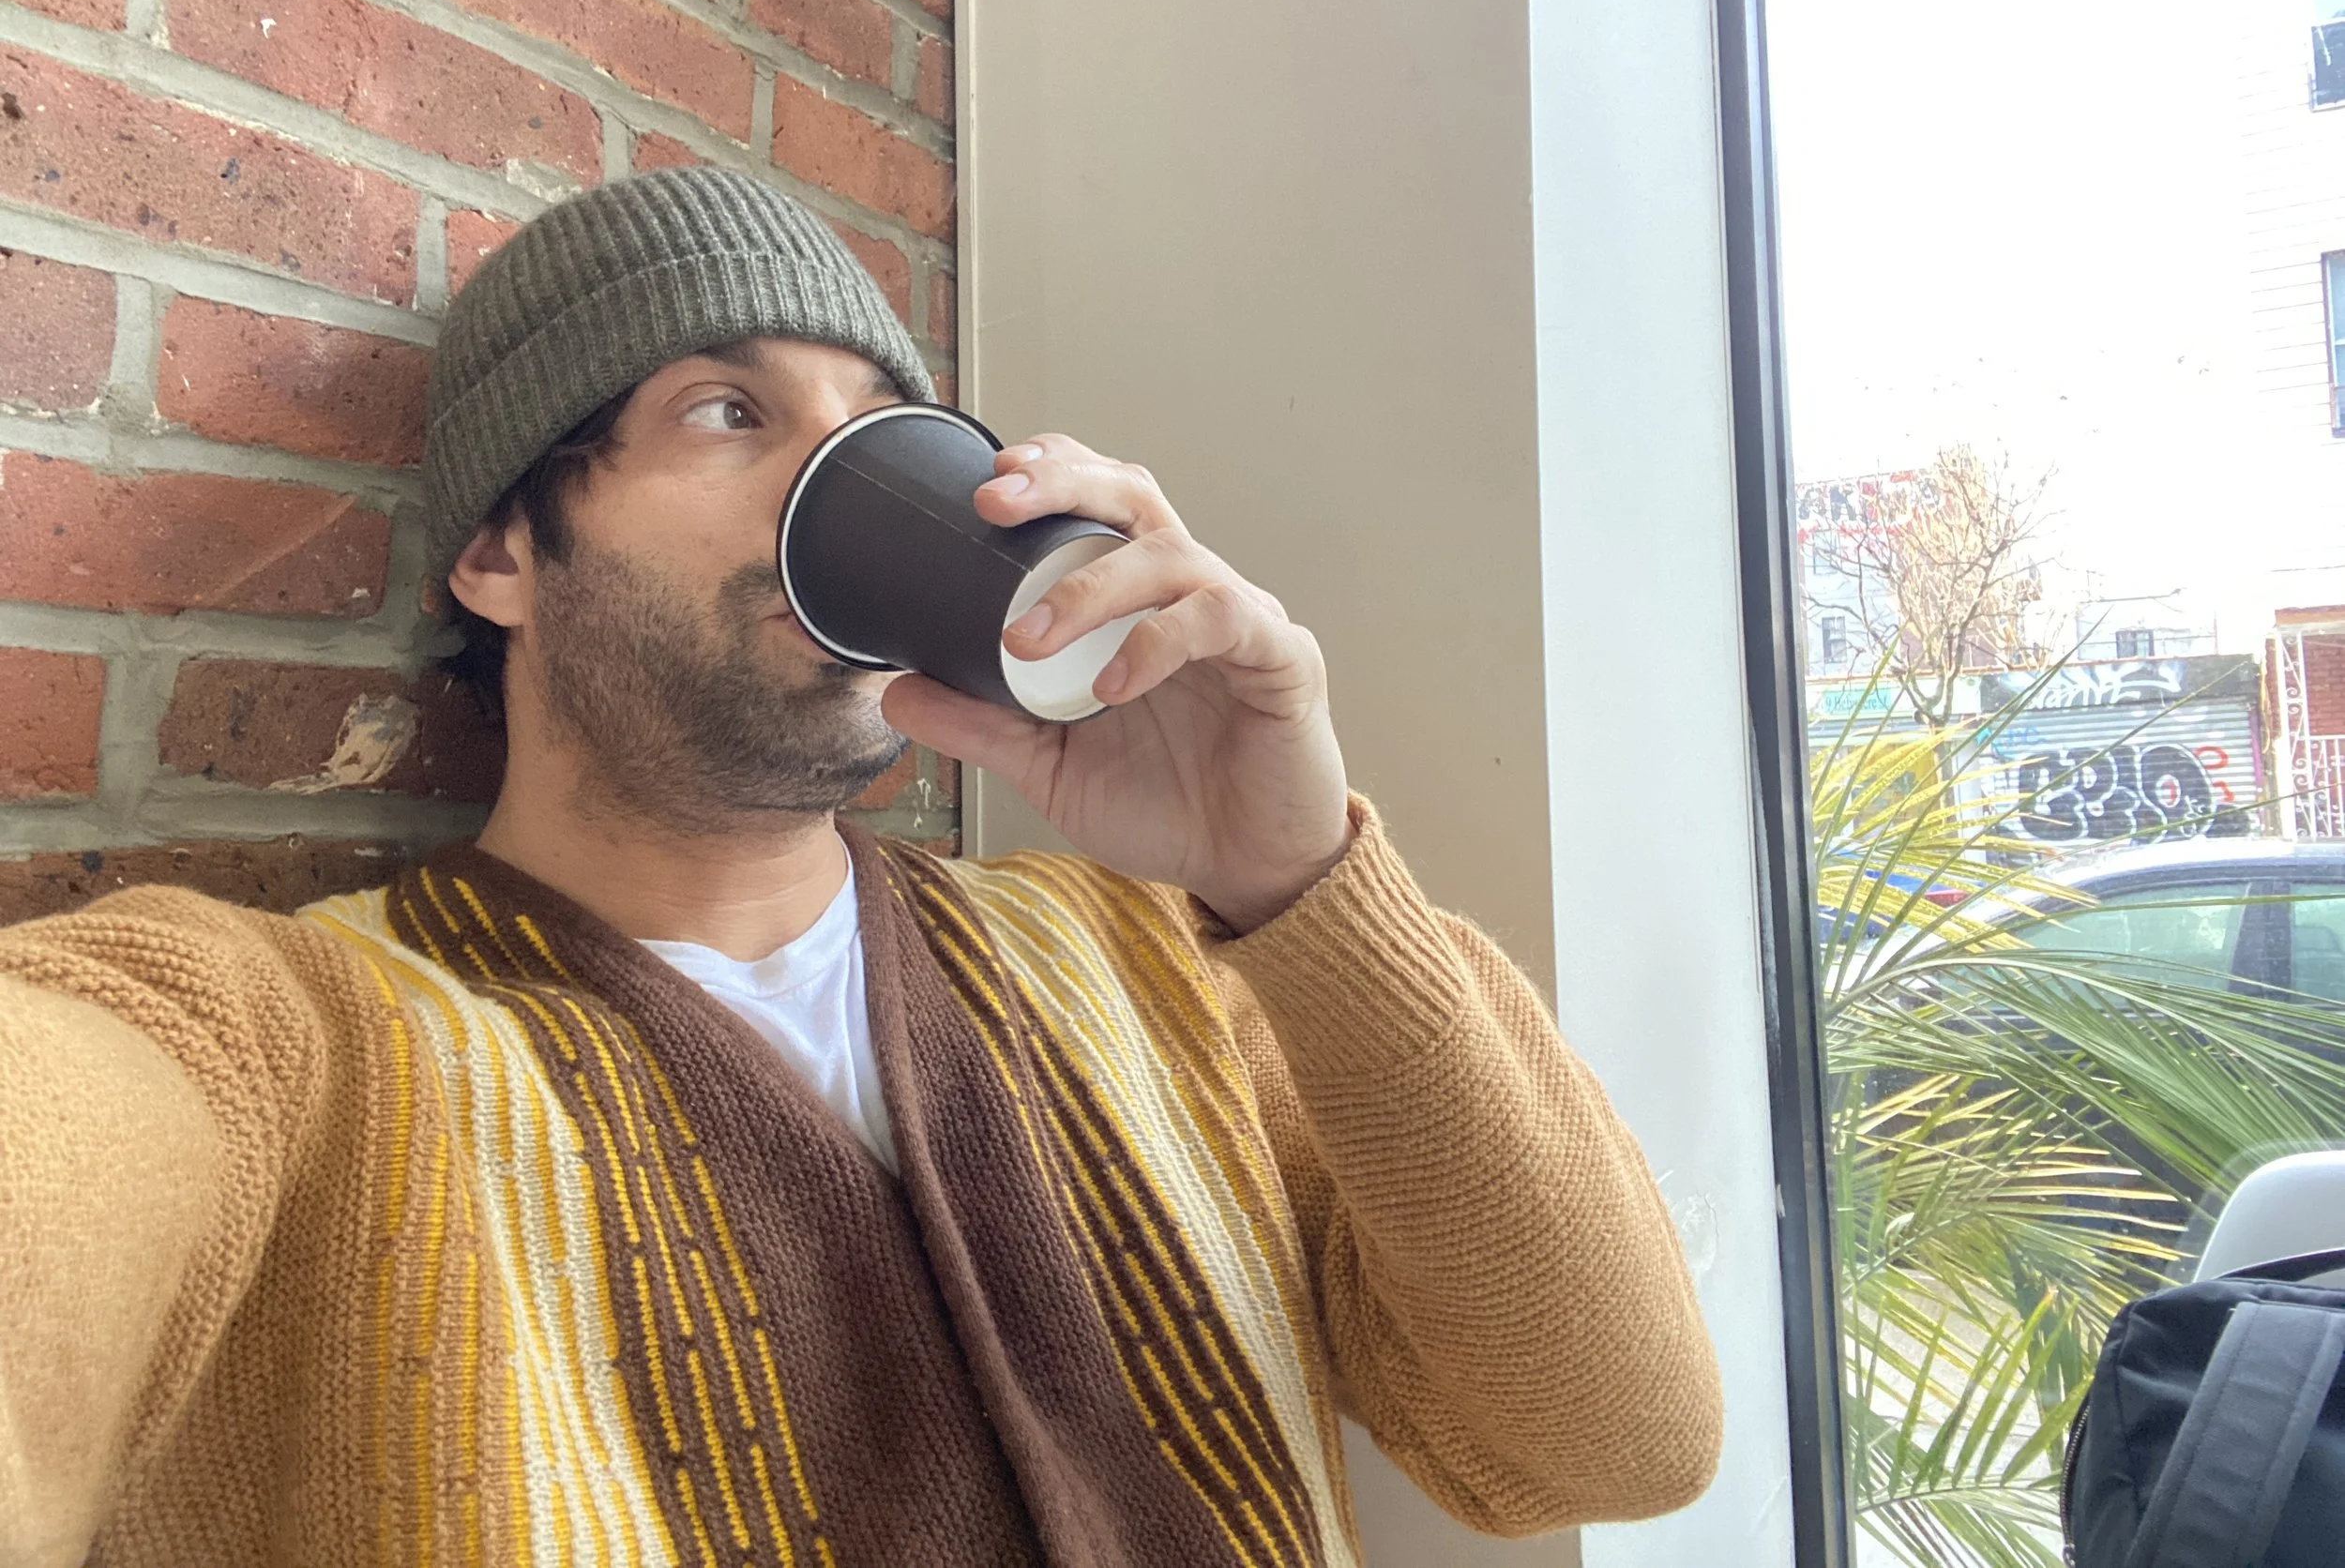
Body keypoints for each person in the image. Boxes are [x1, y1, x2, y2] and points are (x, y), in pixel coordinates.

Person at [0, 167, 1721, 1567]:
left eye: (888, 430)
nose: (842, 485)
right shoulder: (287, 1042)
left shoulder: (1149, 964)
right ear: (504, 551)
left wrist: (1298, 889)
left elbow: (1609, 1442)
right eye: (728, 410)